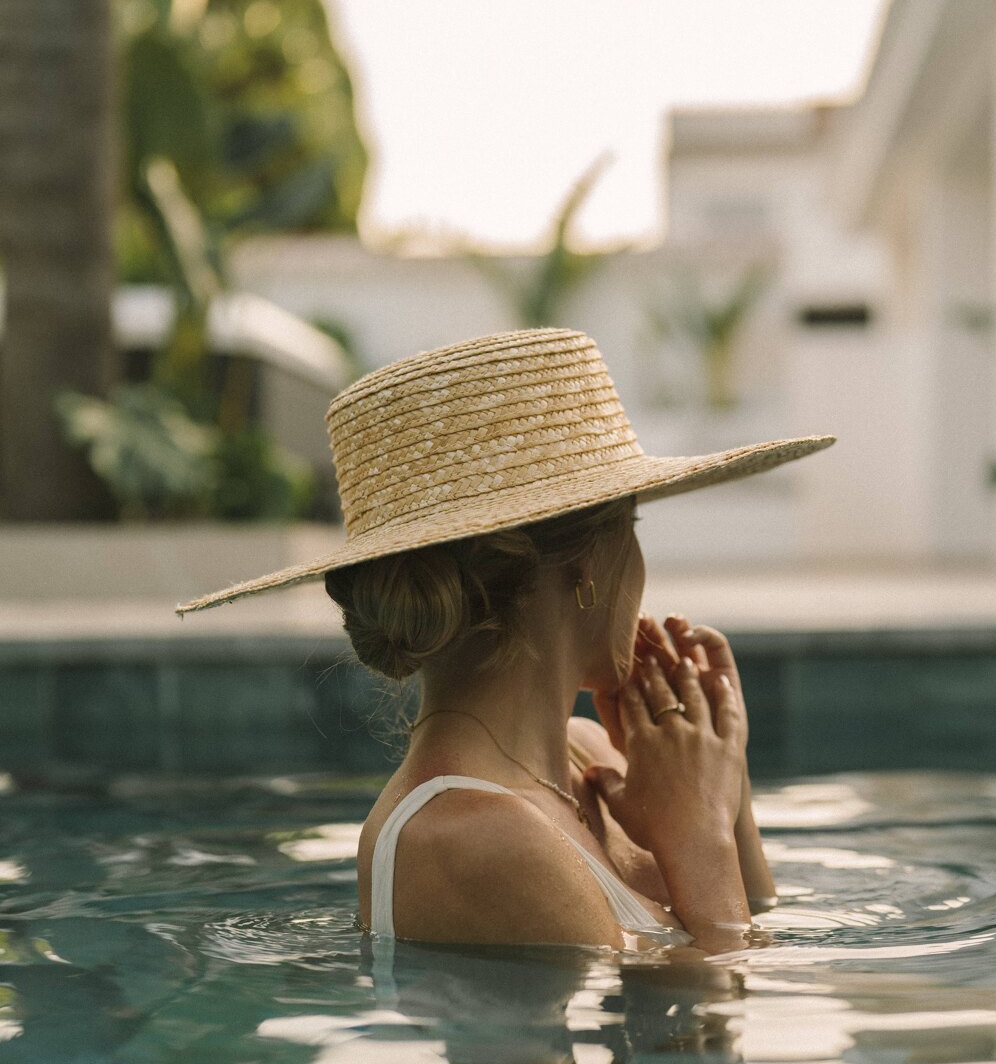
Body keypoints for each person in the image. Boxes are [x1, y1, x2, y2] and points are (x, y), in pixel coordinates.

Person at [179, 328, 834, 952]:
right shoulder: (471, 832)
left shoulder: (587, 753)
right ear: (588, 563)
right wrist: (703, 838)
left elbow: (756, 932)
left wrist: (725, 777)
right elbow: (710, 1027)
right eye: (631, 523)